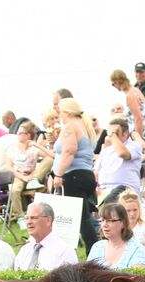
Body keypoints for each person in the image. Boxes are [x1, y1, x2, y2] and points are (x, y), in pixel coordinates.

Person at [53, 98, 99, 251]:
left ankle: (93, 251)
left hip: (73, 176)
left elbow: (69, 151)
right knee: (84, 217)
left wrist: (58, 174)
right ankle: (92, 248)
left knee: (81, 219)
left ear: (66, 112)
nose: (59, 116)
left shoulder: (70, 127)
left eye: (60, 112)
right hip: (86, 174)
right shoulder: (84, 126)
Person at [14, 201, 78, 271]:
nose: (28, 222)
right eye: (27, 218)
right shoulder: (24, 251)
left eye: (34, 218)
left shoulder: (64, 251)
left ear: (48, 220)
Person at [86, 202, 145, 269]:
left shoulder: (136, 249)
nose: (104, 225)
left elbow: (138, 274)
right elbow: (86, 273)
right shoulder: (97, 247)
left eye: (110, 220)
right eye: (102, 220)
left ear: (123, 223)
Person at [95, 117, 144, 195]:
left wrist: (112, 134)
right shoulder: (106, 150)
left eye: (115, 133)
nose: (110, 136)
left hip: (125, 191)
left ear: (125, 133)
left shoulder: (135, 146)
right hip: (104, 191)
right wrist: (96, 186)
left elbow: (122, 153)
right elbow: (96, 171)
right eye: (109, 133)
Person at [111, 69, 145, 147]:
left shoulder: (130, 95)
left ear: (117, 82)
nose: (114, 86)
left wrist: (138, 140)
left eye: (113, 84)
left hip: (142, 135)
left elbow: (138, 119)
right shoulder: (136, 90)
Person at [114, 189, 145, 267]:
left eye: (135, 210)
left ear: (139, 209)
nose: (132, 214)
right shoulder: (116, 226)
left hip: (141, 265)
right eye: (128, 211)